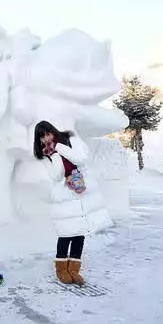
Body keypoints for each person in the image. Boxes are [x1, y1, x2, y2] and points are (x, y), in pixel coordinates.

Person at [33, 120, 112, 286]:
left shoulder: (69, 139)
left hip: (80, 191)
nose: (46, 138)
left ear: (53, 132)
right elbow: (56, 175)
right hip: (64, 196)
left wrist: (59, 147)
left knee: (80, 233)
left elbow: (81, 158)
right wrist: (53, 154)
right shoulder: (44, 153)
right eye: (42, 137)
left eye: (48, 133)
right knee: (66, 233)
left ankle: (74, 269)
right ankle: (61, 269)